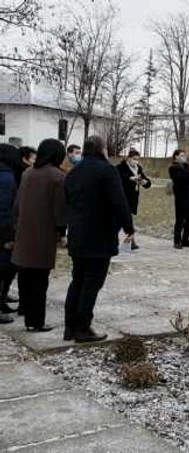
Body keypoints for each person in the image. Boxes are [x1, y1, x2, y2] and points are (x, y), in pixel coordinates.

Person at [64, 136, 134, 343]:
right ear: (101, 149)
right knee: (92, 283)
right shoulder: (107, 170)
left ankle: (70, 326)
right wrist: (128, 227)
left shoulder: (73, 172)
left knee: (77, 280)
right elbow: (119, 201)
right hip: (99, 235)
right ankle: (83, 328)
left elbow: (68, 200)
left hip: (77, 234)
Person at [11, 139, 67, 332]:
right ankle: (36, 322)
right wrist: (62, 231)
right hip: (43, 235)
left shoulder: (27, 173)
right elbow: (60, 210)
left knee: (25, 278)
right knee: (39, 282)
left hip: (23, 232)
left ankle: (26, 314)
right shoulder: (57, 177)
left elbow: (17, 204)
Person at [116, 149, 152, 250]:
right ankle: (130, 240)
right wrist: (130, 179)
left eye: (137, 159)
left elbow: (146, 180)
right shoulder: (120, 167)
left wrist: (145, 182)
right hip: (123, 196)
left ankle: (130, 240)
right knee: (123, 219)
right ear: (128, 158)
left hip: (133, 197)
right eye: (134, 159)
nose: (136, 161)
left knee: (128, 218)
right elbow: (119, 179)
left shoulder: (138, 168)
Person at [0, 144, 18, 323]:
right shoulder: (6, 178)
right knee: (3, 269)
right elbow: (4, 210)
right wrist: (7, 238)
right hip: (3, 232)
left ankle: (2, 301)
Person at [169, 150, 189, 249]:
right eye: (182, 155)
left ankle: (185, 240)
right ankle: (177, 241)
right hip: (181, 196)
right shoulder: (173, 168)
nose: (184, 157)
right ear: (176, 157)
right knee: (180, 219)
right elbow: (181, 177)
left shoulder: (186, 167)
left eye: (185, 155)